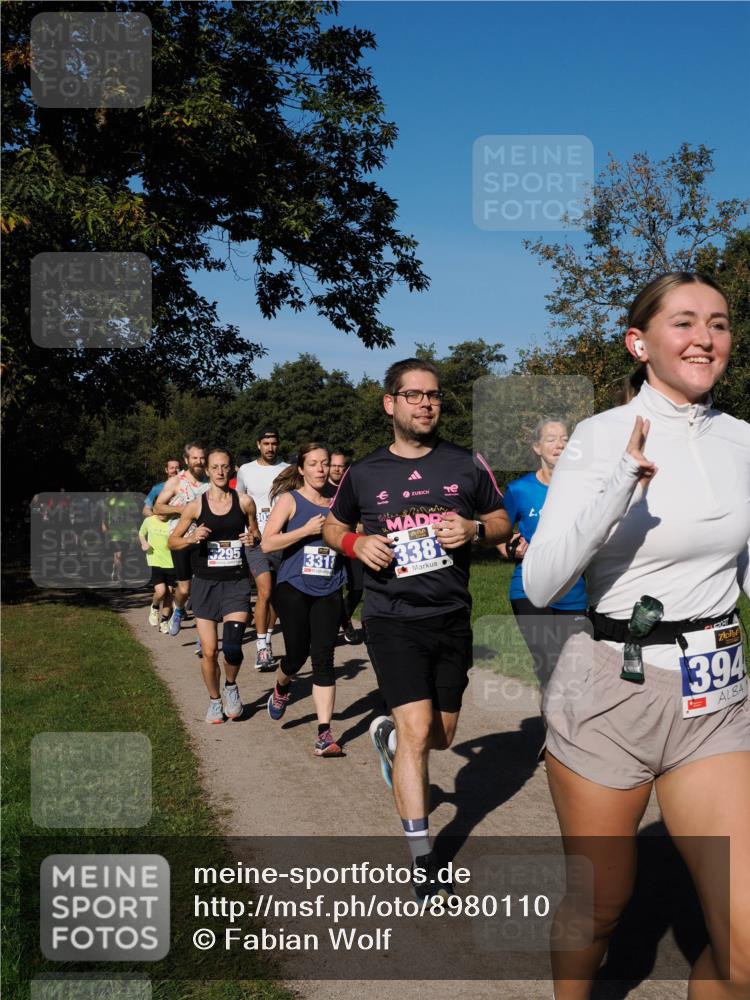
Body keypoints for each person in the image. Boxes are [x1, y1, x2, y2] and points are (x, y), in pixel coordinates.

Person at [522, 272, 750, 999]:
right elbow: (542, 583)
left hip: (714, 696)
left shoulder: (743, 441)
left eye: (718, 322)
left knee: (746, 943)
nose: (704, 337)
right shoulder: (597, 439)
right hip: (612, 693)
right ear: (639, 342)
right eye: (683, 322)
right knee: (600, 907)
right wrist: (624, 479)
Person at [323, 358, 511, 898]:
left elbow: (501, 520)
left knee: (443, 736)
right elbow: (334, 525)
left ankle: (383, 734)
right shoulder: (365, 472)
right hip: (391, 617)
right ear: (391, 403)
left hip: (450, 615)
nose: (426, 404)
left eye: (434, 396)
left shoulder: (465, 463)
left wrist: (475, 527)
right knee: (416, 730)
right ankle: (422, 856)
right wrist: (357, 544)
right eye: (414, 395)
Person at [262, 443, 347, 757]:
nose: (321, 469)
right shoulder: (290, 500)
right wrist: (306, 530)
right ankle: (283, 685)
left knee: (323, 658)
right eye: (313, 464)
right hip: (294, 585)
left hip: (330, 586)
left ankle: (324, 734)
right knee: (296, 654)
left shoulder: (339, 502)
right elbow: (268, 543)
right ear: (301, 469)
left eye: (325, 463)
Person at [168, 447, 259, 724]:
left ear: (231, 470)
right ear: (207, 471)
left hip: (235, 582)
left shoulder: (244, 502)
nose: (220, 471)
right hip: (205, 583)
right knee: (209, 651)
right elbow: (173, 541)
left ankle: (231, 687)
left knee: (232, 646)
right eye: (215, 467)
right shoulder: (196, 505)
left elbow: (256, 533)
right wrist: (193, 537)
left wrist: (251, 538)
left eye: (225, 467)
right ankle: (214, 701)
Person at [499, 418, 588, 691]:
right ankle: (552, 731)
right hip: (529, 588)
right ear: (537, 448)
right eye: (551, 439)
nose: (559, 445)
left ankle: (565, 729)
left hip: (574, 592)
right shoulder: (519, 490)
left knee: (574, 674)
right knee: (549, 668)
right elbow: (498, 534)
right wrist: (512, 547)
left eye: (564, 439)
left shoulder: (586, 488)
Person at [236, 427, 290, 669]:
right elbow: (237, 503)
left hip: (281, 539)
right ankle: (260, 648)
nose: (270, 447)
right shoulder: (246, 470)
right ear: (258, 444)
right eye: (266, 443)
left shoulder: (288, 470)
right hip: (255, 541)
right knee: (265, 591)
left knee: (276, 597)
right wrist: (247, 529)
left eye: (274, 443)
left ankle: (267, 640)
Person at [153, 443, 209, 635]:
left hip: (205, 540)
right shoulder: (176, 482)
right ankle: (178, 609)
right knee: (184, 589)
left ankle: (204, 635)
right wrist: (180, 509)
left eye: (202, 457)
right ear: (186, 460)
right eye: (195, 458)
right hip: (181, 540)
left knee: (204, 587)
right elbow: (157, 508)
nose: (199, 461)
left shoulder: (211, 481)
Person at [327, 449, 363, 644]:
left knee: (358, 587)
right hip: (330, 545)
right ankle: (343, 625)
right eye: (334, 466)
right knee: (334, 590)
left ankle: (345, 618)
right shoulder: (321, 489)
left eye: (342, 466)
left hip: (351, 543)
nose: (338, 470)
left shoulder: (351, 487)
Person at [139, 510, 176, 632]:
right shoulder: (149, 520)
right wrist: (144, 543)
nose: (162, 514)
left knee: (169, 593)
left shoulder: (174, 522)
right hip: (155, 560)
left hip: (172, 562)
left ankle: (164, 621)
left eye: (165, 512)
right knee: (161, 591)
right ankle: (154, 607)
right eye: (160, 511)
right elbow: (141, 533)